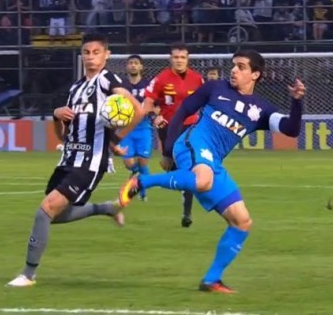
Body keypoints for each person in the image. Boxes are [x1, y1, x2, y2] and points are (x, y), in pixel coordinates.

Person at [119, 50, 305, 293]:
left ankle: (211, 280)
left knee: (242, 221)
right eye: (233, 66)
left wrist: (297, 101)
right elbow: (183, 111)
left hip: (212, 161)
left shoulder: (261, 109)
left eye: (241, 67)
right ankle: (143, 181)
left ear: (255, 74)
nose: (234, 70)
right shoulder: (216, 88)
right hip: (192, 142)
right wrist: (166, 151)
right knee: (203, 180)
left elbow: (291, 129)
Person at [6, 34, 144, 287]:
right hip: (68, 157)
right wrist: (56, 115)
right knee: (54, 216)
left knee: (44, 211)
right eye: (86, 52)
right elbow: (63, 134)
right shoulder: (75, 88)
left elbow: (137, 108)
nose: (90, 57)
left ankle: (28, 274)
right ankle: (107, 208)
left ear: (106, 55)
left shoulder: (109, 80)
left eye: (96, 52)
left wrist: (117, 138)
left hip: (91, 161)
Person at [143, 42, 204, 227]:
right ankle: (177, 178)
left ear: (188, 59)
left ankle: (187, 213)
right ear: (171, 59)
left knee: (189, 169)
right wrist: (154, 116)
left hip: (190, 127)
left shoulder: (197, 79)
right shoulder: (161, 79)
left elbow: (206, 101)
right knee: (170, 168)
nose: (179, 60)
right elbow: (148, 102)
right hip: (169, 128)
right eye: (176, 57)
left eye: (182, 57)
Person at [119, 55, 153, 200]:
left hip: (144, 128)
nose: (133, 65)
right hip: (127, 129)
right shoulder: (121, 85)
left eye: (136, 63)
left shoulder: (148, 85)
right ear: (127, 66)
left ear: (141, 67)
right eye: (131, 63)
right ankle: (135, 173)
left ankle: (143, 193)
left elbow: (154, 104)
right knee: (129, 164)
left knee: (143, 161)